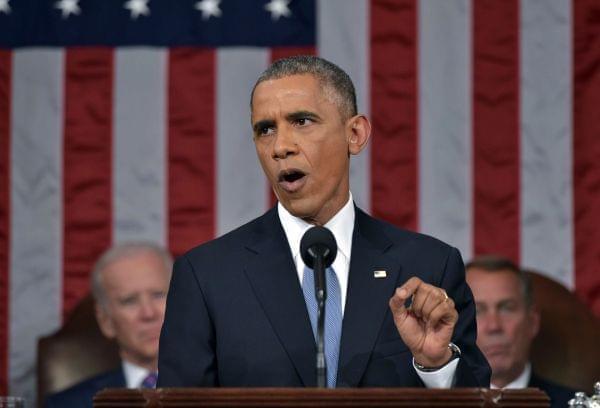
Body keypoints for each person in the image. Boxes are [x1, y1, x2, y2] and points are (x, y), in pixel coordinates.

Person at [158, 55, 490, 388]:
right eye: (265, 129)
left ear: (355, 134)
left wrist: (436, 366)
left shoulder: (429, 265)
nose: (280, 147)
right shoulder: (207, 276)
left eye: (301, 121)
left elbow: (477, 397)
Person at [45, 242, 172, 407]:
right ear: (106, 321)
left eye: (158, 295)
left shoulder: (216, 390)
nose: (149, 313)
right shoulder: (67, 404)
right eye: (130, 301)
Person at [466, 256, 576, 407]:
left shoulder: (576, 405)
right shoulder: (433, 403)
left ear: (532, 322)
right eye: (477, 311)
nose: (494, 326)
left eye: (507, 308)